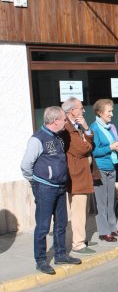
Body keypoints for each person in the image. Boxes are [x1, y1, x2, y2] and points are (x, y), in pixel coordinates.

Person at [20, 106, 82, 275]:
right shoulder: (37, 139)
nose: (65, 122)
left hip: (60, 187)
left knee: (61, 223)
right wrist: (36, 183)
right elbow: (25, 166)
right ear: (55, 121)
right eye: (64, 119)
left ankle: (61, 254)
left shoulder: (59, 137)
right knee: (43, 226)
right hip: (45, 188)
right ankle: (40, 260)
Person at [61, 97, 100, 255]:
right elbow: (83, 149)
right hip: (76, 174)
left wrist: (85, 127)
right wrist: (87, 143)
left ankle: (81, 238)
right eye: (81, 108)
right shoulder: (67, 129)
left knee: (83, 209)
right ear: (72, 111)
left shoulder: (76, 126)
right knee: (78, 210)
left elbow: (90, 143)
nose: (83, 110)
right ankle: (77, 243)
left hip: (83, 173)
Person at [91, 99, 118, 242]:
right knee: (102, 202)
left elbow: (112, 145)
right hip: (100, 168)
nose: (111, 114)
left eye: (112, 111)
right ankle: (104, 231)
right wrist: (110, 148)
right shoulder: (94, 128)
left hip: (112, 166)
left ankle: (112, 227)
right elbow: (94, 151)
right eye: (109, 111)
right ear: (100, 112)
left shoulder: (109, 127)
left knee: (110, 199)